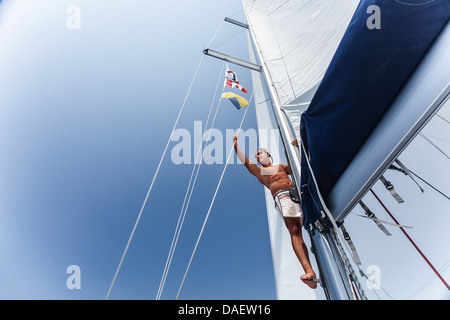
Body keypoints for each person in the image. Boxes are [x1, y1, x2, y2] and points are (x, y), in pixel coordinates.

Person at [233, 134, 318, 289]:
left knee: (315, 224)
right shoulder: (262, 172)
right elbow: (246, 163)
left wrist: (298, 147)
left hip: (299, 194)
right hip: (284, 197)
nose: (258, 156)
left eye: (260, 153)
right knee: (295, 231)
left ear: (268, 154)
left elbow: (299, 163)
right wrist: (235, 145)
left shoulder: (280, 167)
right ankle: (309, 271)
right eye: (256, 156)